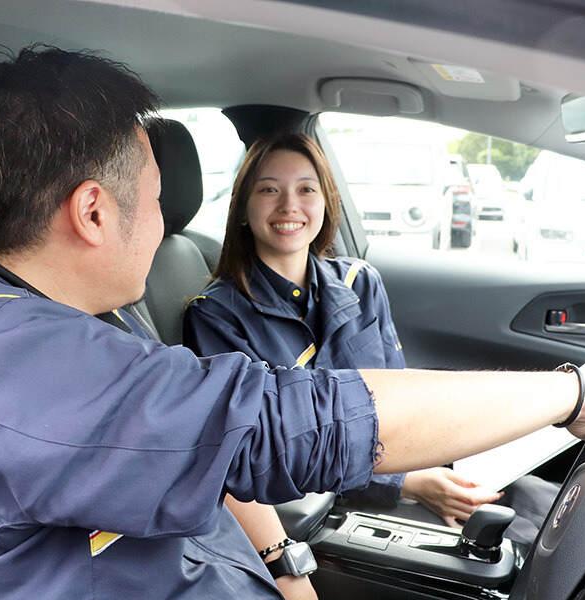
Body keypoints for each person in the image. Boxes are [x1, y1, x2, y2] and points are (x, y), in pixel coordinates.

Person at [0, 46, 585, 600]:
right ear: (92, 211)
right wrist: (577, 389)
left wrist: (283, 562)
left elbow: (198, 455)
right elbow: (270, 426)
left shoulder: (74, 320)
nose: (167, 216)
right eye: (155, 195)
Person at [180, 134, 530, 598]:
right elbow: (267, 450)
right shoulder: (216, 314)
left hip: (407, 467)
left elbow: (402, 397)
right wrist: (408, 484)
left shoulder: (359, 281)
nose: (290, 205)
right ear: (243, 207)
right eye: (269, 189)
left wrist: (440, 464)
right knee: (522, 546)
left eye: (306, 189)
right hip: (331, 505)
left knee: (544, 506)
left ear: (327, 201)